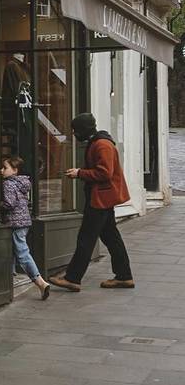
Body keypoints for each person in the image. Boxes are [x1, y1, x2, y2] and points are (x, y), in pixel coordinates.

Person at [49, 113, 134, 292]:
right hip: (102, 198)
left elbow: (105, 173)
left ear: (83, 129)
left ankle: (72, 278)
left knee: (86, 239)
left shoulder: (102, 145)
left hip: (100, 199)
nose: (73, 133)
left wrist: (80, 173)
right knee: (112, 238)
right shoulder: (98, 142)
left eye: (75, 130)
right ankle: (124, 276)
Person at [0, 157, 50, 300]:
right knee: (15, 250)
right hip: (25, 221)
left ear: (14, 170)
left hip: (15, 222)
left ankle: (40, 282)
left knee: (22, 253)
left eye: (5, 168)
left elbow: (9, 204)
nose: (1, 170)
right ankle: (12, 275)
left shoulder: (8, 183)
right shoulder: (23, 182)